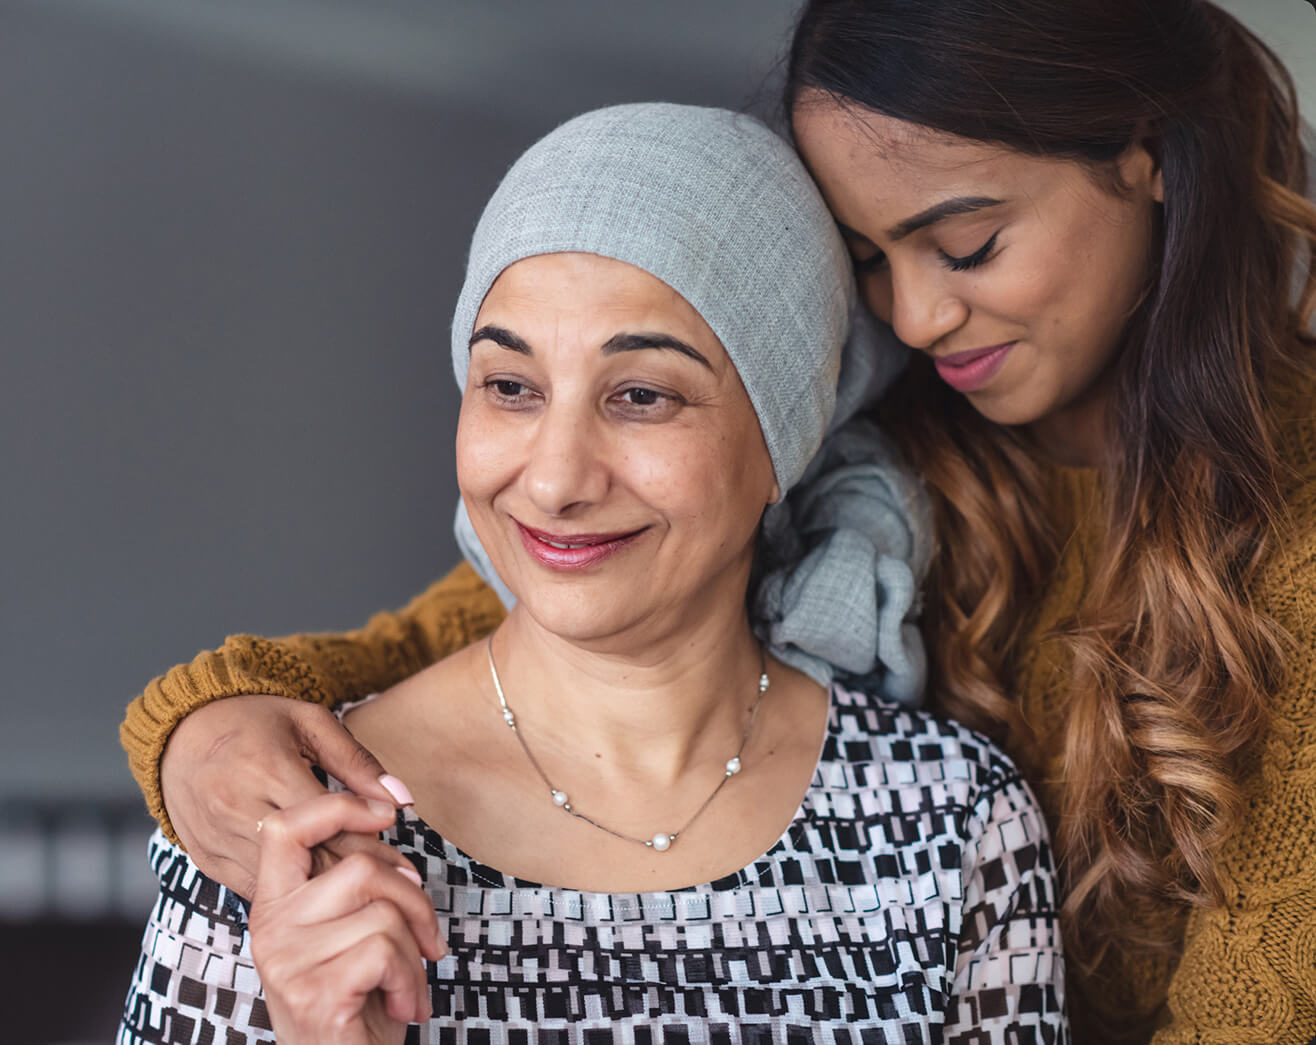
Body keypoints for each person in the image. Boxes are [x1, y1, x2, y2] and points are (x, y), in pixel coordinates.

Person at [118, 0, 1316, 1041]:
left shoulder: (965, 809)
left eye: (965, 243)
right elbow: (525, 605)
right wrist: (205, 729)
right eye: (864, 261)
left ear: (1147, 153)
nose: (915, 315)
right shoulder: (886, 438)